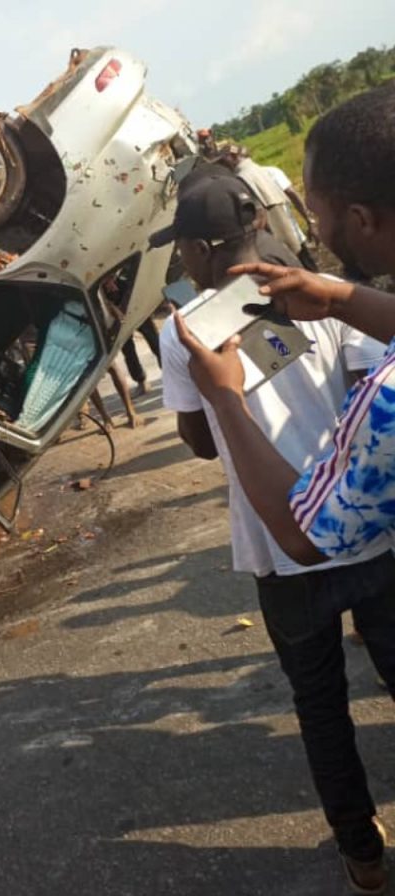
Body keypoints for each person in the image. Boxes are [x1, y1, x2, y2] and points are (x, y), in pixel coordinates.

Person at [173, 85, 395, 894]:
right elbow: (354, 386)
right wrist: (330, 300)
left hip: (285, 548)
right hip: (371, 532)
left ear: (195, 252)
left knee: (320, 707)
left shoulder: (187, 332)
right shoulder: (317, 297)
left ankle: (361, 855)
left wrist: (224, 395)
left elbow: (202, 442)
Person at [217, 143, 318, 270]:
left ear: (232, 156)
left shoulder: (242, 177)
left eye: (223, 160)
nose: (222, 165)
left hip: (279, 242)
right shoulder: (261, 171)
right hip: (292, 236)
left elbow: (262, 215)